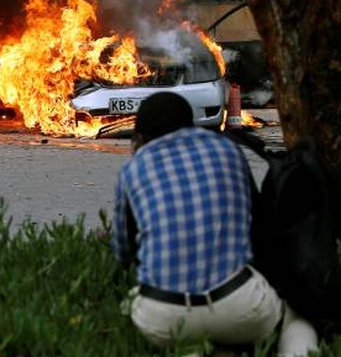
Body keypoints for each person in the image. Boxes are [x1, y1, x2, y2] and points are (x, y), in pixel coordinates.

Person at [111, 92, 318, 356]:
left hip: (166, 316)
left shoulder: (132, 171)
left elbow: (124, 253)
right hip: (239, 304)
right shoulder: (227, 149)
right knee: (295, 322)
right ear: (190, 125)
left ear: (138, 138)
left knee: (135, 308)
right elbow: (256, 225)